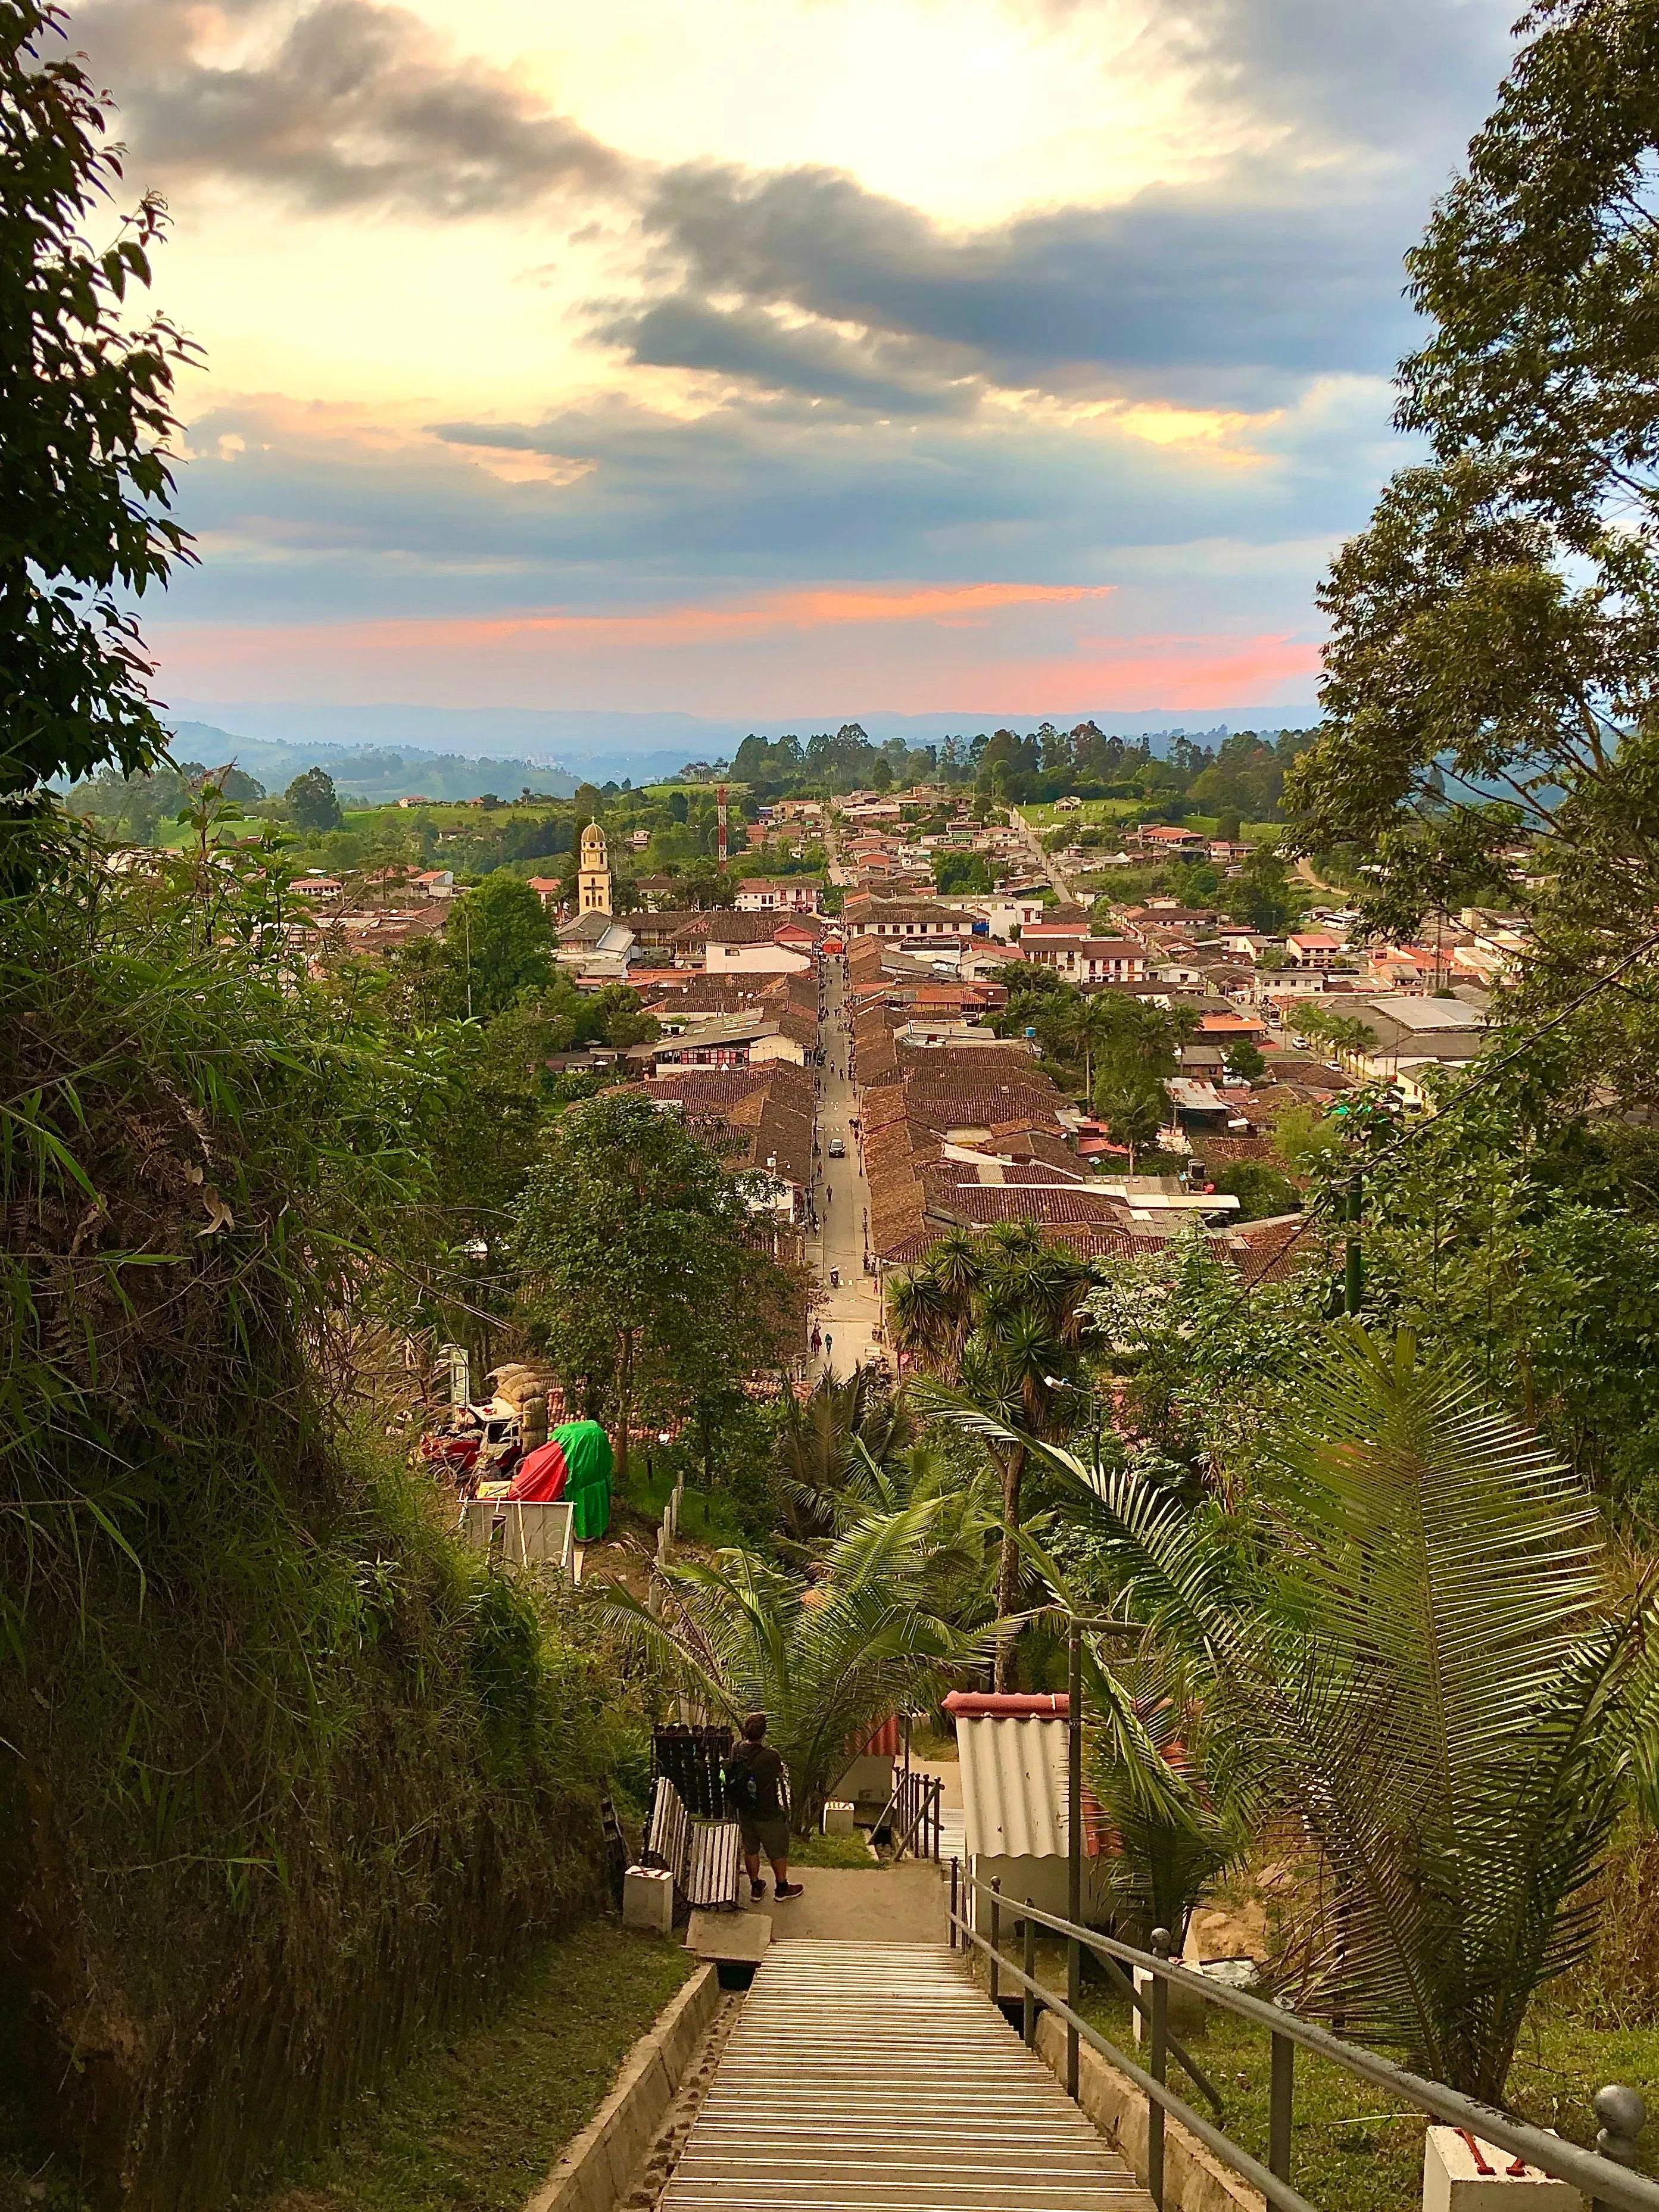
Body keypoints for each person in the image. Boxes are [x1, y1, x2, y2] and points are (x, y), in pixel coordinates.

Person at [724, 1712, 802, 1901]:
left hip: (745, 1809)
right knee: (777, 1849)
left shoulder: (736, 1748)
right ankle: (782, 1888)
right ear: (764, 1733)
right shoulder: (770, 1755)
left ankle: (756, 1887)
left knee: (751, 1848)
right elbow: (779, 1774)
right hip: (767, 1811)